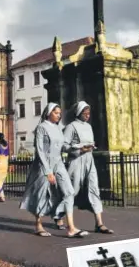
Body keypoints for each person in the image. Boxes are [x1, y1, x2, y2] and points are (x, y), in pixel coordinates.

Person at [19, 102, 88, 238]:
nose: (59, 115)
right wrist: (47, 171)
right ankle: (38, 225)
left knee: (69, 191)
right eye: (56, 113)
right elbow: (39, 150)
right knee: (42, 194)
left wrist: (79, 149)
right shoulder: (41, 127)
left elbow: (63, 147)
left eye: (59, 113)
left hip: (58, 163)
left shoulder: (59, 128)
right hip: (44, 164)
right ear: (48, 113)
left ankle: (71, 228)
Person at [54, 101, 114, 234]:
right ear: (78, 113)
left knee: (94, 189)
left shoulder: (89, 127)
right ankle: (58, 215)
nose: (87, 116)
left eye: (88, 113)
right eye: (85, 113)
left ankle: (99, 223)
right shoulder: (71, 127)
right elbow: (64, 145)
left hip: (89, 160)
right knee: (72, 191)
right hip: (76, 160)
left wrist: (90, 147)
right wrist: (79, 149)